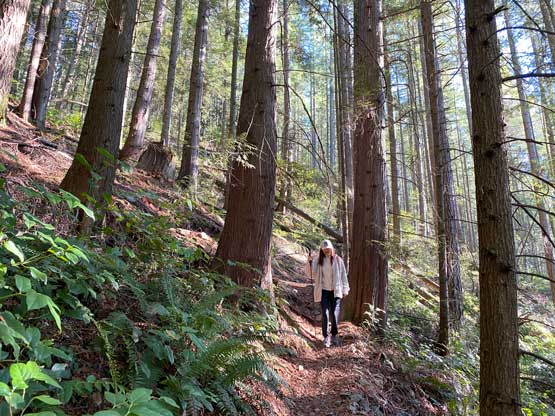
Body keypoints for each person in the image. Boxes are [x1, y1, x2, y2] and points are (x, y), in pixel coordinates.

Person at [305, 239, 349, 348]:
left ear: (331, 248)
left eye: (328, 249)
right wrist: (309, 263)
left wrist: (345, 289)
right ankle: (326, 337)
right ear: (322, 250)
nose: (327, 251)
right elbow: (311, 274)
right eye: (324, 249)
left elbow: (343, 275)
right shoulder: (318, 260)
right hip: (323, 291)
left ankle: (334, 335)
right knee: (325, 313)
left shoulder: (338, 260)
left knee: (334, 313)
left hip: (335, 291)